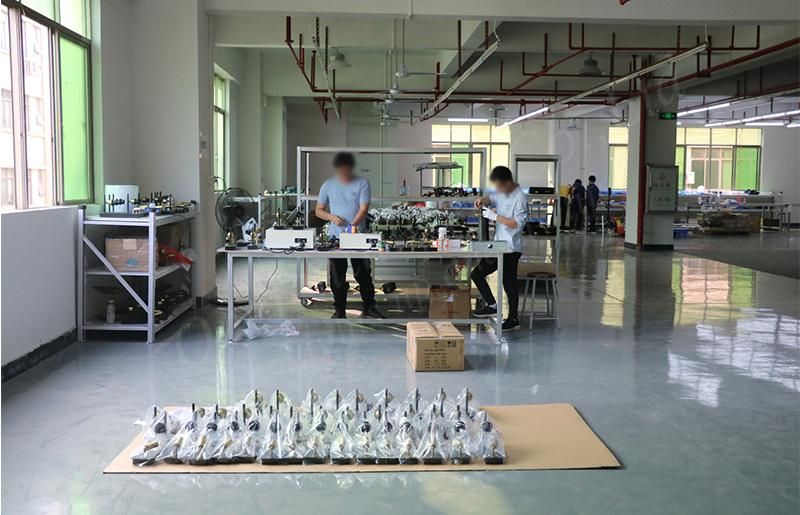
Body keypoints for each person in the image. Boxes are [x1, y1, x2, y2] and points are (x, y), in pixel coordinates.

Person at [315, 152, 384, 319]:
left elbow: (363, 208)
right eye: (341, 169)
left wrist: (352, 227)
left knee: (362, 273)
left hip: (357, 237)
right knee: (337, 276)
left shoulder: (362, 183)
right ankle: (339, 310)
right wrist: (331, 217)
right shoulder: (328, 185)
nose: (344, 173)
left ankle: (369, 307)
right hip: (335, 238)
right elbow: (318, 210)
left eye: (347, 169)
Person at [470, 166, 528, 331]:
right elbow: (491, 199)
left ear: (507, 182)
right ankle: (492, 304)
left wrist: (494, 216)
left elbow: (516, 223)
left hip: (510, 249)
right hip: (497, 246)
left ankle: (513, 319)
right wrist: (482, 200)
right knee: (477, 273)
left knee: (509, 284)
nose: (497, 188)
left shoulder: (520, 198)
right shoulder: (503, 192)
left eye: (498, 185)